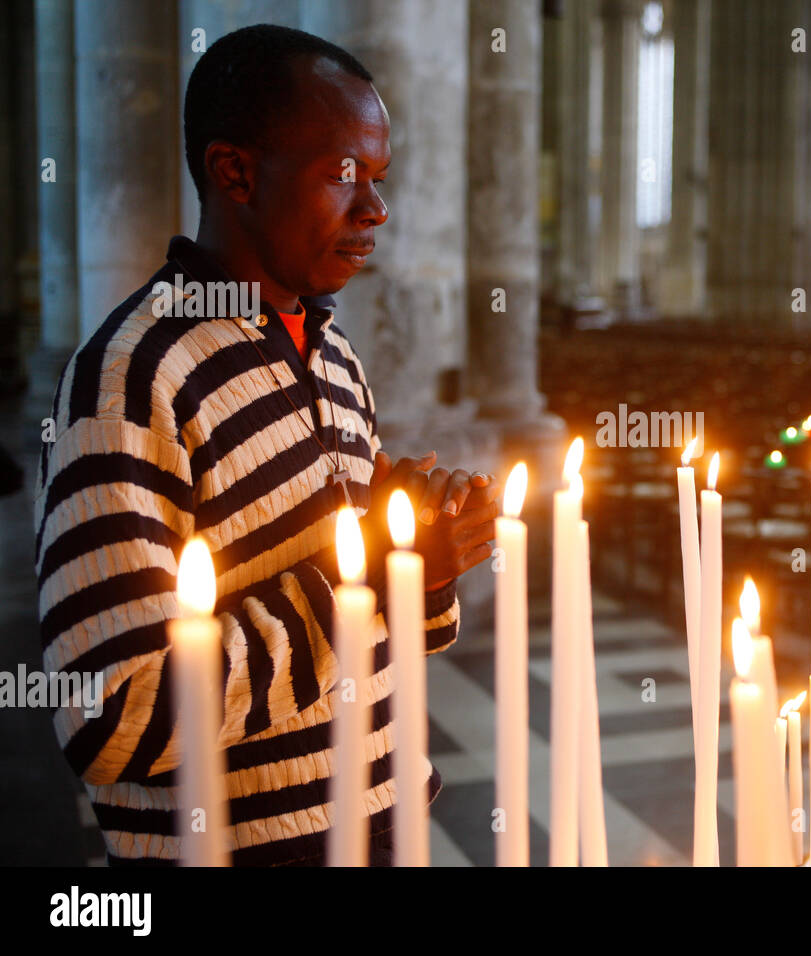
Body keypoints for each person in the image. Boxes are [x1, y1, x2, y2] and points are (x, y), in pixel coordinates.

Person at [33, 24, 499, 866]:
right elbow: (109, 714)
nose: (376, 211)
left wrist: (423, 559)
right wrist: (362, 585)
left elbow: (368, 637)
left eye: (379, 179)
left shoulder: (332, 354)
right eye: (343, 177)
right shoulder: (135, 379)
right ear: (235, 171)